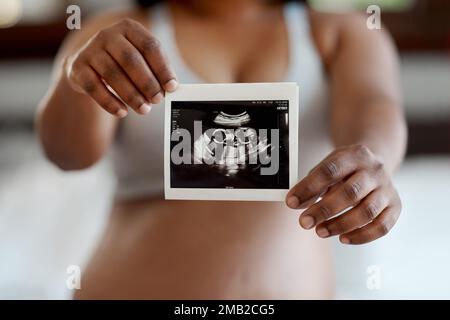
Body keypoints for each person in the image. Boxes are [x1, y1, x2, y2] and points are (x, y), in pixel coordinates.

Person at [36, 0, 407, 299]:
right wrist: (78, 80)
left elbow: (375, 109)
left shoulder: (342, 32)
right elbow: (66, 153)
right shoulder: (112, 30)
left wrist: (374, 163)